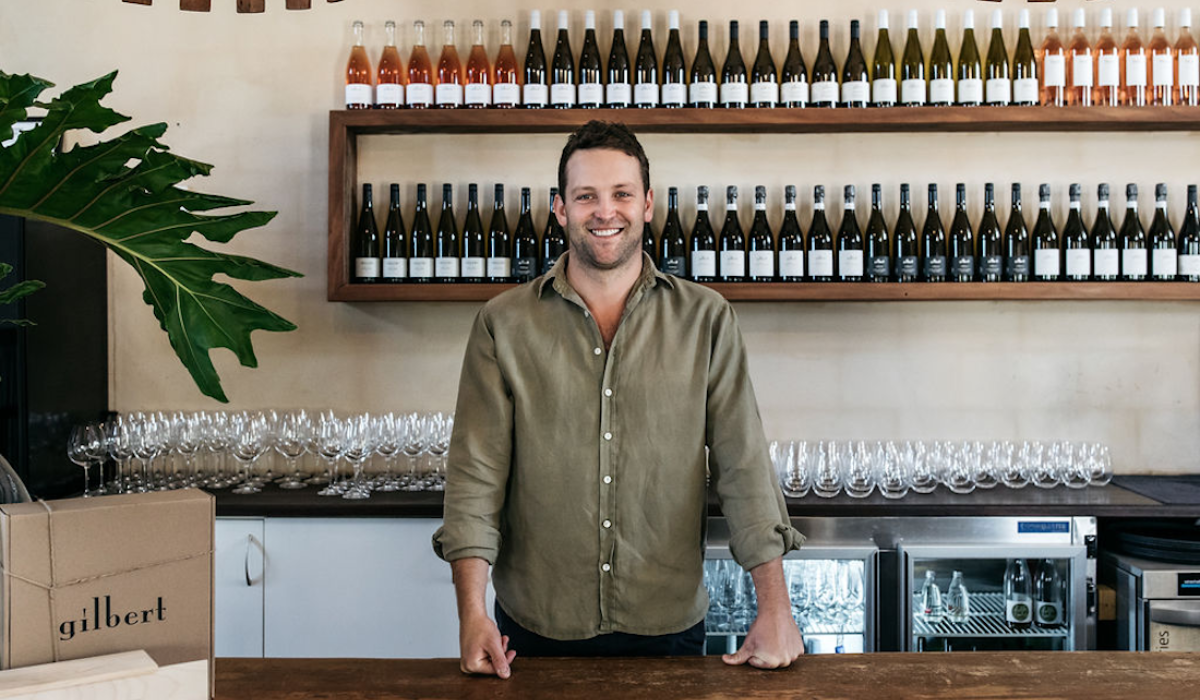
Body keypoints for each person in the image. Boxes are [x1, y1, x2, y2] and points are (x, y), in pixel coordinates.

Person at [432, 120, 804, 678]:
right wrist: (470, 613)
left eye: (621, 194)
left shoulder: (706, 320)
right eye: (586, 196)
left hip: (668, 627)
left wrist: (776, 607)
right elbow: (475, 479)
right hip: (533, 629)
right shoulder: (502, 324)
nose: (605, 212)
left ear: (648, 204)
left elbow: (744, 467)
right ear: (560, 208)